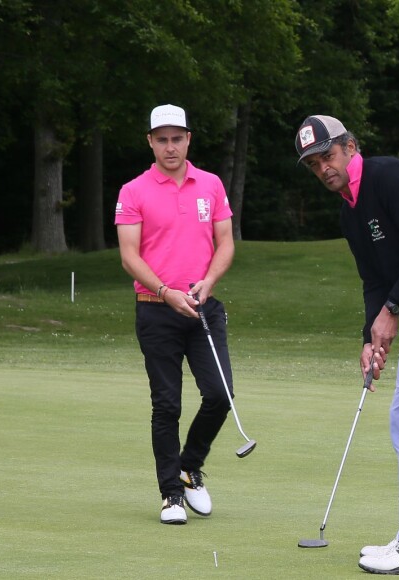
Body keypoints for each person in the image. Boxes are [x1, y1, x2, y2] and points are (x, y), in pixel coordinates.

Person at [295, 114, 399, 575]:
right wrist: (371, 336)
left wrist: (392, 312)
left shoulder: (392, 177)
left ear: (349, 146)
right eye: (313, 164)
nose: (323, 168)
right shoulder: (348, 209)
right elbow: (374, 281)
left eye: (327, 155)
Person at [115, 104, 235, 525]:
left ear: (188, 139)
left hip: (203, 308)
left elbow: (225, 244)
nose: (170, 146)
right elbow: (129, 256)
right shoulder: (133, 191)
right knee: (166, 406)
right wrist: (165, 292)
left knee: (220, 395)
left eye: (177, 138)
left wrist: (209, 281)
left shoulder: (212, 184)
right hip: (156, 311)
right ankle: (171, 495)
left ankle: (189, 466)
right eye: (162, 138)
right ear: (150, 141)